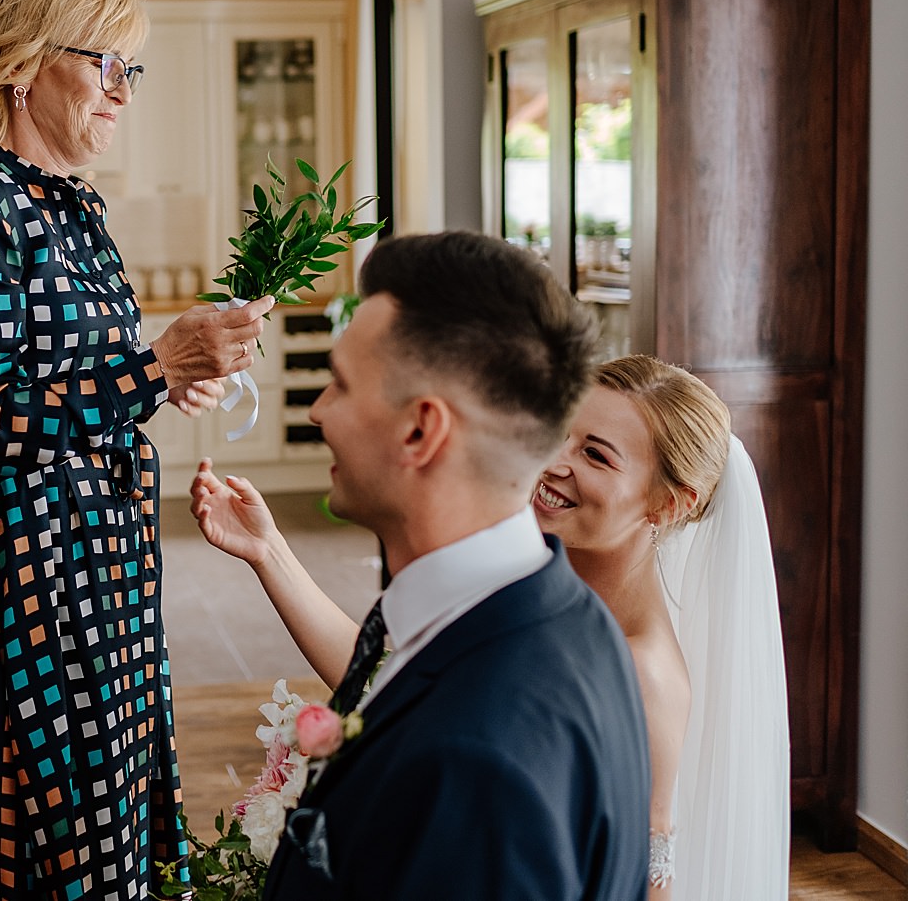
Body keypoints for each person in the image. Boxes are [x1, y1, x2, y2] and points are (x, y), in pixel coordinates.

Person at [0, 0, 270, 899]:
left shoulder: (73, 208)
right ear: (21, 65)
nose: (122, 93)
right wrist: (153, 367)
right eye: (105, 64)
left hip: (97, 578)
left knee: (113, 831)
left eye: (131, 70)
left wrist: (166, 381)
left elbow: (66, 382)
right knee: (32, 842)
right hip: (13, 590)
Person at [189, 230, 649, 899]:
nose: (318, 411)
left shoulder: (479, 765)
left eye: (340, 384)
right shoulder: (551, 615)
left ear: (420, 431)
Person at [533, 355, 788, 898]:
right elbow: (409, 683)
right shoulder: (536, 581)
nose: (553, 461)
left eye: (594, 455)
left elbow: (650, 876)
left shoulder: (640, 671)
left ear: (668, 504)